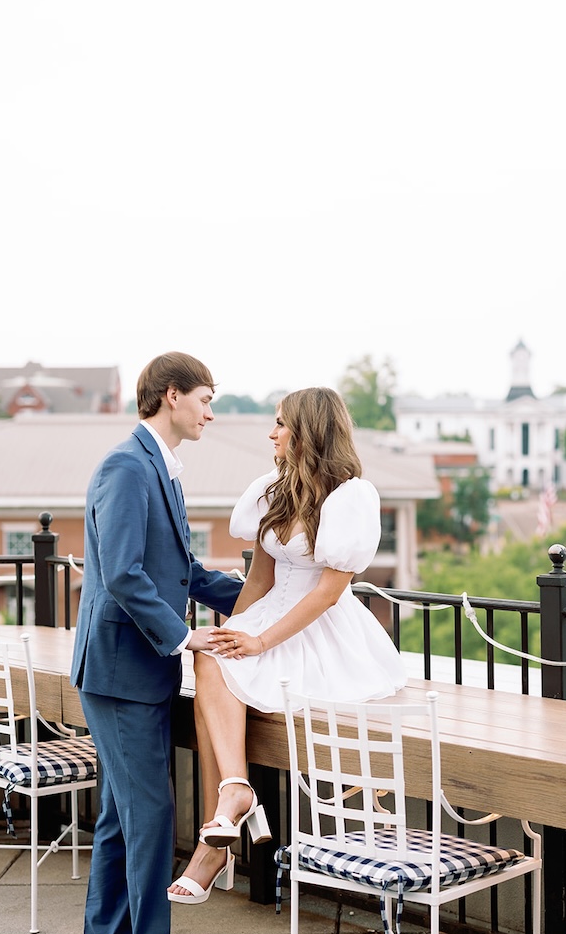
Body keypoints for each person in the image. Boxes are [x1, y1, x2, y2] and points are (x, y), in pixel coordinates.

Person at [168, 386, 407, 903]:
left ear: (310, 430)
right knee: (210, 655)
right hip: (272, 615)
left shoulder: (350, 496)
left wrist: (259, 641)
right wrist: (236, 631)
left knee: (216, 677)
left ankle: (219, 837)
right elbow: (260, 579)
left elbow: (327, 591)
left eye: (281, 423)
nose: (271, 432)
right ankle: (234, 794)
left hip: (320, 630)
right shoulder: (272, 490)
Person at [71, 352, 243, 934]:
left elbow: (182, 569)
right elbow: (121, 574)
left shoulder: (162, 470)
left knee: (122, 817)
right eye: (205, 397)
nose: (210, 410)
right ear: (171, 396)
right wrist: (185, 636)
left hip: (136, 672)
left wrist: (255, 598)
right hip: (119, 672)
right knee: (150, 820)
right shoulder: (125, 466)